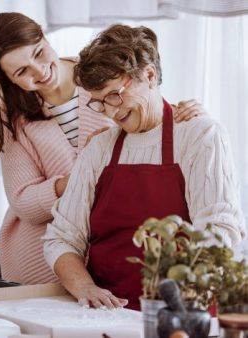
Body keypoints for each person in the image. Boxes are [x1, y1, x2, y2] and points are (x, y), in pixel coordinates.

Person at [0, 12, 205, 285]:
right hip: (41, 258)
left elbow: (147, 108)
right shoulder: (10, 116)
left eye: (38, 53)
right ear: (9, 79)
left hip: (108, 251)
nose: (39, 71)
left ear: (45, 36)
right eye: (21, 71)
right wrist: (81, 178)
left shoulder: (97, 72)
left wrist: (188, 114)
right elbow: (24, 202)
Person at [43, 23, 246, 310]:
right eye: (100, 103)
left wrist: (176, 303)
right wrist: (85, 287)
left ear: (149, 75)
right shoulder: (99, 148)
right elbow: (61, 238)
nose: (111, 112)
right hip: (108, 315)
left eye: (115, 95)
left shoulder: (200, 136)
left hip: (181, 313)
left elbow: (220, 229)